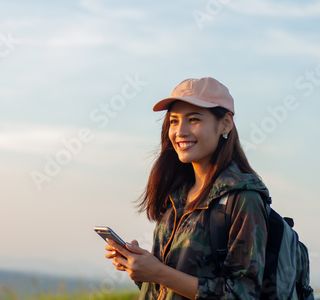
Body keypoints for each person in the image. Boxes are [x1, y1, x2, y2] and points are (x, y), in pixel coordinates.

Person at [104, 77, 269, 299]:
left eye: (193, 119)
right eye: (173, 121)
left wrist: (160, 273)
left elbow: (243, 294)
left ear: (225, 123)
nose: (180, 131)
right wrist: (142, 268)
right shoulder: (176, 196)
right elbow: (172, 286)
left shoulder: (242, 199)